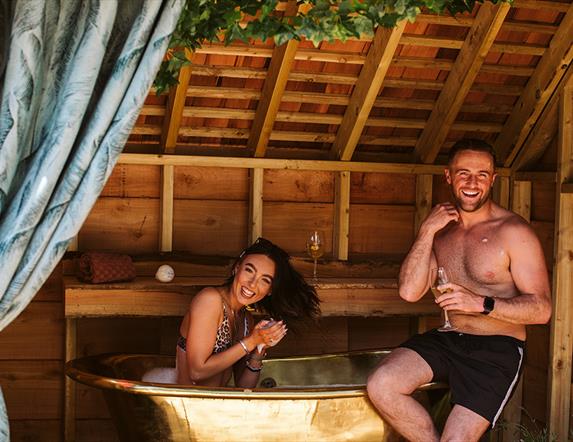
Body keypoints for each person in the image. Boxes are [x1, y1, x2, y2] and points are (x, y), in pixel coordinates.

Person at [366, 139, 551, 441]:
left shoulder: (514, 232)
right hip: (449, 339)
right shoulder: (442, 231)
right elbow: (410, 292)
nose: (472, 183)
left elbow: (542, 309)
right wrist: (427, 230)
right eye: (463, 173)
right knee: (381, 384)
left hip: (496, 348)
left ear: (493, 179)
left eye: (481, 174)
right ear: (448, 176)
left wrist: (481, 303)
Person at [176, 237, 321, 387]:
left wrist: (260, 348)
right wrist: (251, 341)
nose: (252, 284)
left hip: (217, 405)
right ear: (236, 268)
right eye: (249, 270)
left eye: (265, 280)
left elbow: (243, 386)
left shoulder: (245, 319)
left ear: (270, 290)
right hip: (186, 405)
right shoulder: (210, 300)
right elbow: (197, 371)